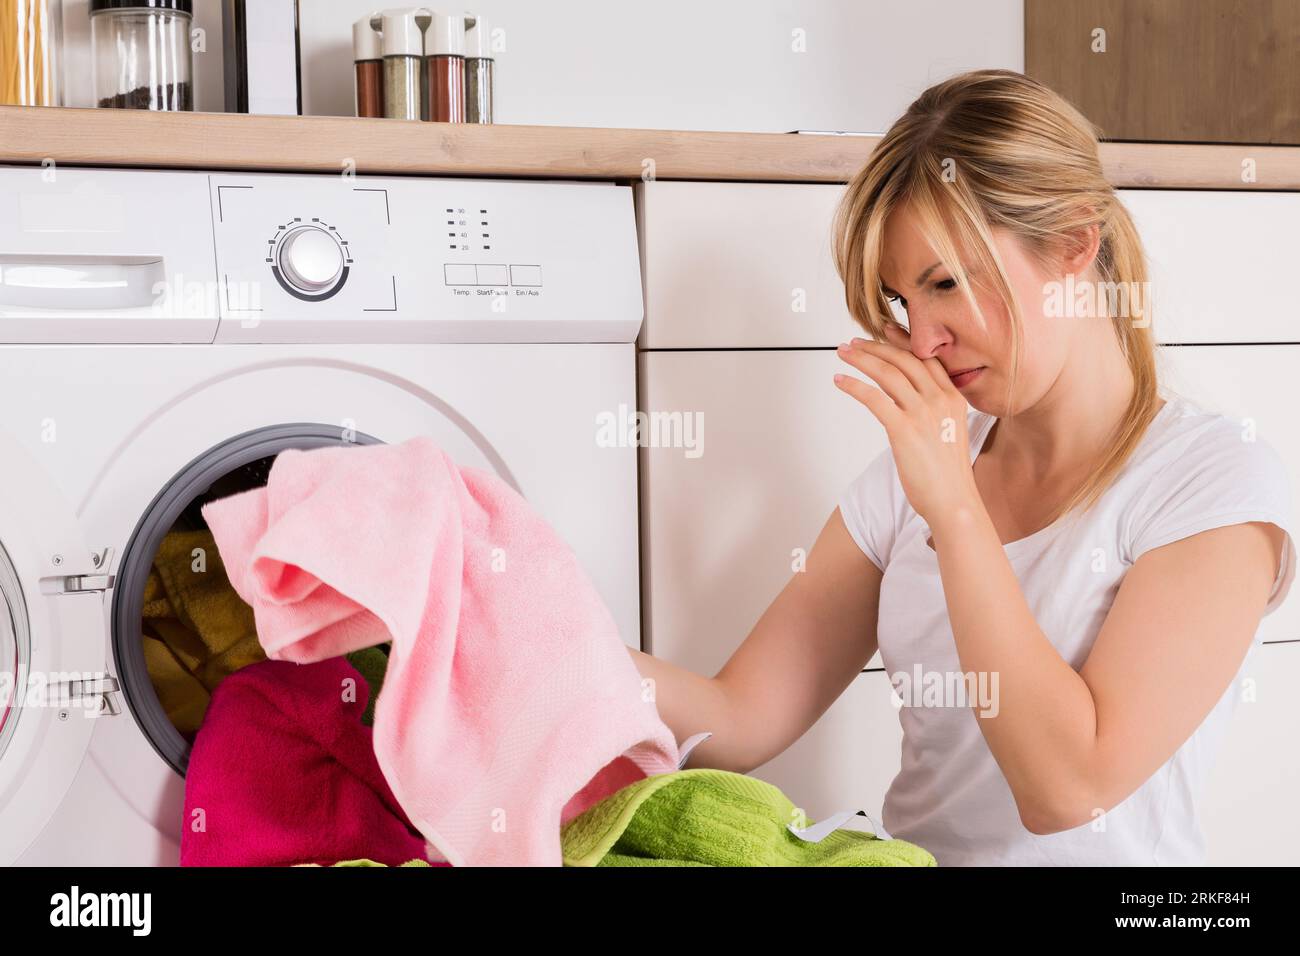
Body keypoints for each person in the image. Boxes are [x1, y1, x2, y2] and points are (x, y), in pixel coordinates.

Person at [628, 68, 1296, 866]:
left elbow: (1067, 790)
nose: (921, 341)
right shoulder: (910, 480)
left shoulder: (1211, 483)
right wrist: (519, 617)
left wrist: (954, 511)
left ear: (1075, 243)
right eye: (903, 302)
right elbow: (735, 720)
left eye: (945, 284)